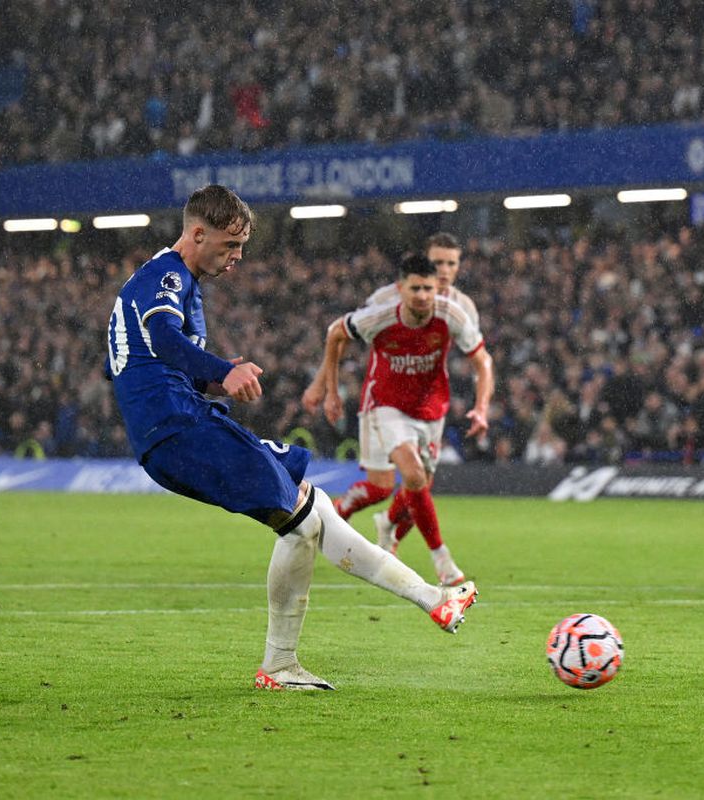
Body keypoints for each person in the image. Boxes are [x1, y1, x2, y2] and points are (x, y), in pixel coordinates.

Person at [104, 185, 478, 691]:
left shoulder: (165, 280)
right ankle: (280, 665)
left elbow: (133, 362)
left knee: (312, 502)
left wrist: (211, 379)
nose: (237, 258)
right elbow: (162, 340)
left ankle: (434, 599)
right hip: (178, 429)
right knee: (300, 525)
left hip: (181, 424)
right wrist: (220, 372)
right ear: (197, 233)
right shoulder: (167, 277)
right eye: (229, 246)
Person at [303, 234, 489, 558]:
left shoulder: (462, 308)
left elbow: (478, 356)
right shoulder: (388, 299)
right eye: (438, 262)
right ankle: (354, 525)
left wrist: (481, 405)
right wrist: (323, 385)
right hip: (386, 397)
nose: (444, 270)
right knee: (389, 485)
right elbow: (343, 336)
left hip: (428, 403)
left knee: (419, 487)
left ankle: (389, 531)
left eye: (451, 263)